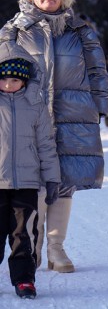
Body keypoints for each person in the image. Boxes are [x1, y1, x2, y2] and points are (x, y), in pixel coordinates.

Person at [0, 0, 108, 274]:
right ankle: (30, 248)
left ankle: (56, 248)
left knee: (64, 183)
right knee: (31, 183)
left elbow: (98, 72)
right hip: (28, 120)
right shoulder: (14, 30)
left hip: (72, 117)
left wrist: (98, 108)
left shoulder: (80, 31)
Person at [0, 45, 60, 300]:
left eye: (14, 79)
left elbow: (46, 143)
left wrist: (52, 177)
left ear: (24, 79)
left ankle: (24, 279)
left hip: (27, 181)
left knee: (23, 234)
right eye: (3, 79)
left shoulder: (36, 105)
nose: (8, 84)